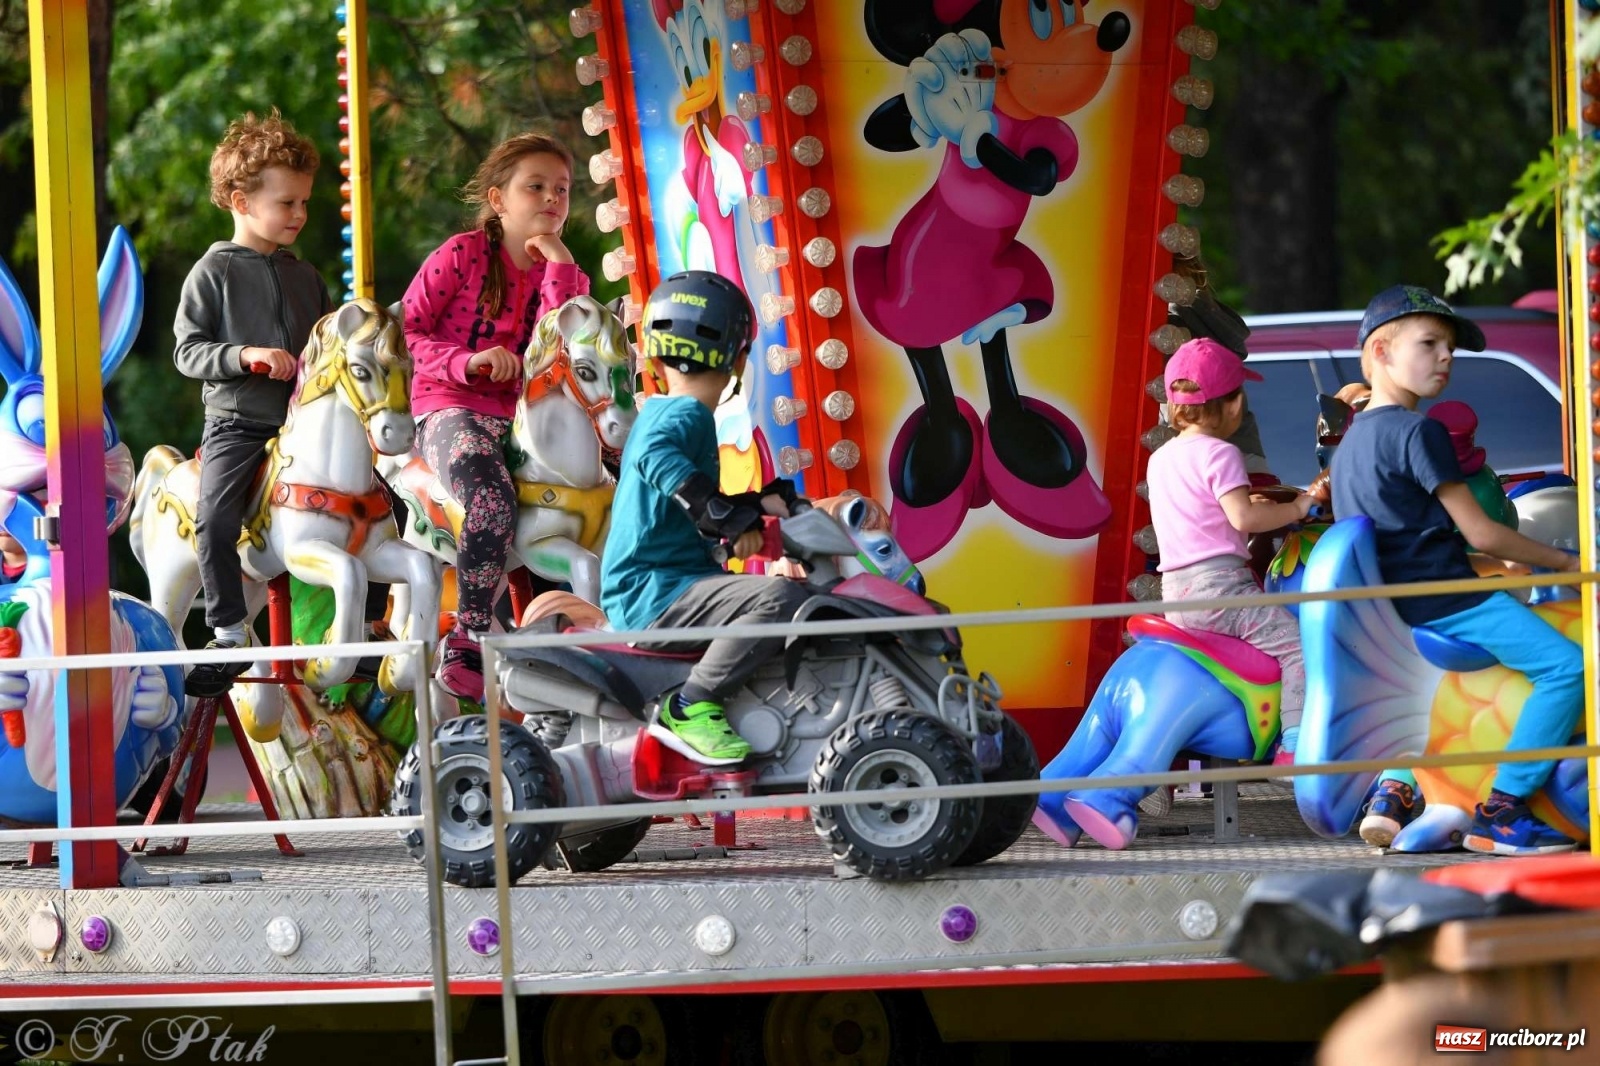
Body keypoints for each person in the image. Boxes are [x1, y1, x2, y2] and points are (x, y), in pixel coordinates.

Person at [1333, 285, 1583, 856]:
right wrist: (1571, 562)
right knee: (1566, 667)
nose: (1445, 358)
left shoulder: (1353, 443)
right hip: (1448, 602)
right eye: (1429, 344)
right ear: (1379, 352)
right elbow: (1481, 529)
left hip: (1405, 607)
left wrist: (1496, 562)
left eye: (1450, 348)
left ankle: (1407, 790)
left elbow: (1405, 541)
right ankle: (1505, 808)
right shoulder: (1418, 432)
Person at [402, 132, 589, 701]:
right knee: (489, 498)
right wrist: (468, 362)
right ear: (498, 199)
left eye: (562, 189)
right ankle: (469, 632)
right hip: (450, 407)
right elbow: (411, 329)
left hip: (527, 418)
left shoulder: (564, 273)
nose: (552, 199)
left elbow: (564, 337)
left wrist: (559, 265)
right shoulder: (461, 255)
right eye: (535, 187)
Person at [600, 270, 810, 764]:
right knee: (780, 597)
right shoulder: (685, 416)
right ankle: (690, 704)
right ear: (739, 359)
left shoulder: (665, 410)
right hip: (654, 593)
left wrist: (758, 508)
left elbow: (684, 506)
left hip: (666, 584)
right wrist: (722, 515)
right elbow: (656, 460)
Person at [174, 110, 333, 697]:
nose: (299, 215)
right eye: (287, 203)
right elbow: (187, 353)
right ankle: (227, 629)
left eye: (304, 203)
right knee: (213, 516)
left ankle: (363, 622)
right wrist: (244, 357)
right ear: (241, 200)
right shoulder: (212, 272)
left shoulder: (307, 277)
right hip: (239, 424)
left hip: (300, 427)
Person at [1148, 338, 1315, 766]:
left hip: (1176, 595)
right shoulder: (1223, 453)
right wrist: (1295, 507)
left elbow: (1202, 515)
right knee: (1298, 646)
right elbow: (1242, 520)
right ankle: (1294, 743)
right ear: (1235, 404)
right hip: (1222, 592)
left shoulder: (1161, 458)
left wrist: (1249, 509)